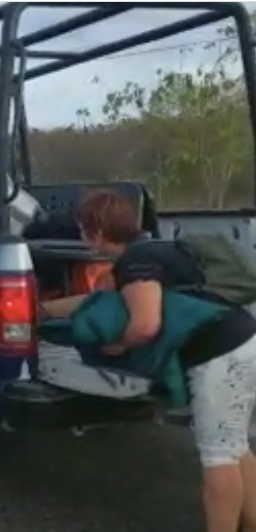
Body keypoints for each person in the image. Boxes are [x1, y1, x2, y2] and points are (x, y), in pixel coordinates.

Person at [42, 191, 256, 532]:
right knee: (235, 445)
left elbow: (145, 324)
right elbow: (101, 299)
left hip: (219, 356)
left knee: (218, 456)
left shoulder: (137, 263)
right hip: (240, 341)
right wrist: (46, 312)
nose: (80, 236)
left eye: (82, 229)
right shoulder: (152, 250)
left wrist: (117, 347)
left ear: (96, 231)